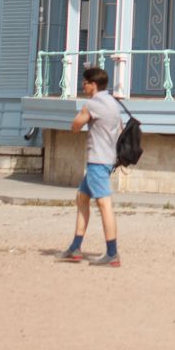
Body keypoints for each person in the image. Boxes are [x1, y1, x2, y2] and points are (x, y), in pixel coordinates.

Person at [63, 64, 122, 266]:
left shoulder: (94, 104)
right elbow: (120, 129)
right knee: (82, 198)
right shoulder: (113, 103)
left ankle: (112, 253)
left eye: (85, 83)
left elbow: (75, 125)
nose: (83, 86)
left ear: (93, 85)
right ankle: (75, 247)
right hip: (107, 158)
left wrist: (83, 113)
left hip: (97, 160)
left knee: (104, 204)